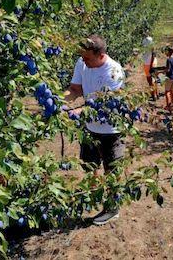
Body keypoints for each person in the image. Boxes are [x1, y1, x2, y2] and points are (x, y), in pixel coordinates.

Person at [64, 35, 125, 225]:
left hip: (111, 130)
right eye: (82, 57)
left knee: (112, 170)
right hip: (90, 128)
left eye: (88, 58)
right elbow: (75, 89)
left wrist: (77, 111)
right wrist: (60, 101)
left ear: (101, 55)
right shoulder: (82, 62)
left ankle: (113, 208)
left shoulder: (114, 72)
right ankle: (97, 196)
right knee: (90, 166)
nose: (84, 61)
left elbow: (105, 106)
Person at [142, 36, 159, 100]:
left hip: (150, 63)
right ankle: (155, 93)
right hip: (147, 62)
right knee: (152, 79)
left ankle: (154, 94)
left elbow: (153, 53)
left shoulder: (149, 40)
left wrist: (151, 64)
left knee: (151, 79)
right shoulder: (143, 40)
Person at [163, 46, 173, 111]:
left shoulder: (168, 60)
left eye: (166, 51)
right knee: (171, 91)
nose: (166, 52)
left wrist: (162, 71)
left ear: (169, 52)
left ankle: (168, 106)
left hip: (169, 77)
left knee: (167, 92)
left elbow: (168, 70)